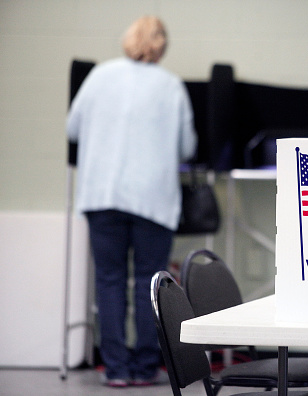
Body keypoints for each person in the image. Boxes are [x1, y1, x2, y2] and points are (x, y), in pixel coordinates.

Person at [66, 16, 196, 387]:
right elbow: (186, 147)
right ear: (162, 46)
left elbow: (71, 127)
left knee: (108, 281)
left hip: (102, 194)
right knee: (147, 282)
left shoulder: (100, 76)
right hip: (152, 199)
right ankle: (145, 367)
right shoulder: (171, 86)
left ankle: (117, 370)